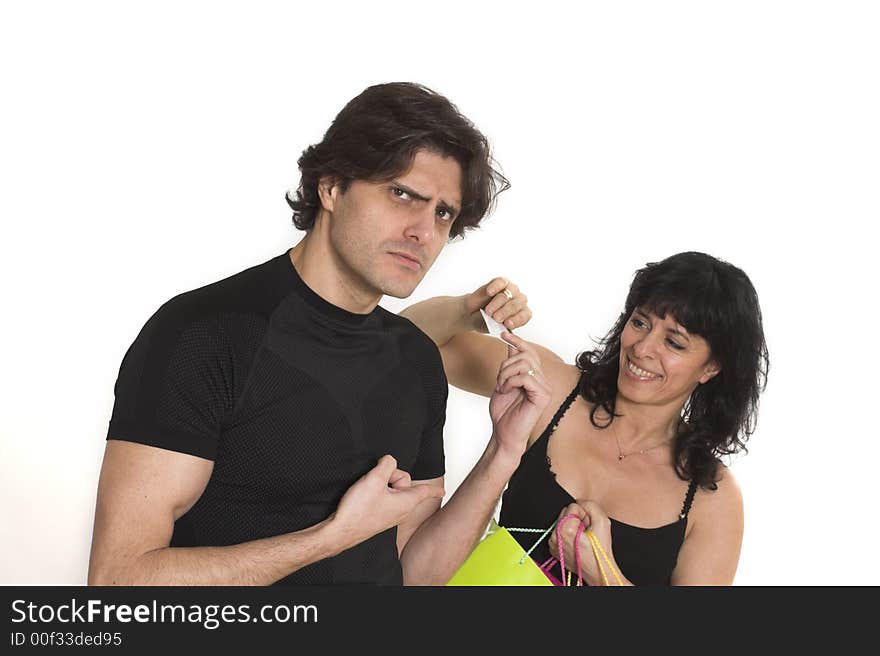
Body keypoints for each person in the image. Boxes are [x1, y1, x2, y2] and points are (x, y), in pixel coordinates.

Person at [87, 82, 553, 586]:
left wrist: (501, 453)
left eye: (443, 213)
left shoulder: (415, 359)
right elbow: (119, 581)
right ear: (331, 187)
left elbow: (414, 573)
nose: (424, 231)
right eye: (402, 195)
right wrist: (331, 537)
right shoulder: (202, 335)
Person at [400, 251, 769, 585]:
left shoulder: (711, 499)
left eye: (674, 343)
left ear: (711, 367)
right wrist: (467, 310)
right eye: (641, 323)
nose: (642, 349)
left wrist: (601, 572)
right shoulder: (553, 389)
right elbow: (406, 342)